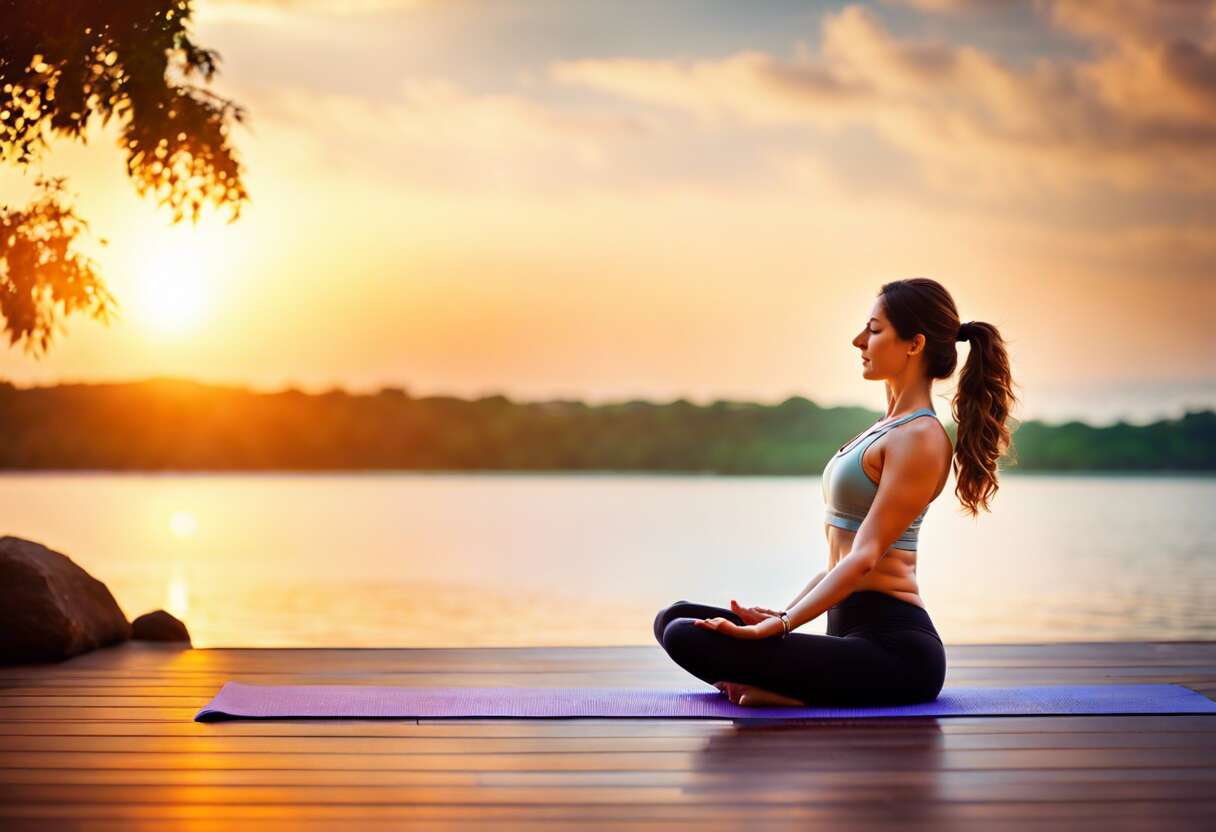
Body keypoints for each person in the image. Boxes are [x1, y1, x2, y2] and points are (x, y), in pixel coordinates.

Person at [654, 277, 1018, 707]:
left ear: (914, 344)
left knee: (685, 637)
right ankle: (782, 689)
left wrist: (783, 625)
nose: (858, 340)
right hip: (847, 634)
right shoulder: (886, 429)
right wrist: (781, 613)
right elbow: (840, 560)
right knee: (675, 618)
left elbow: (864, 558)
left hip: (896, 652)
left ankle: (789, 694)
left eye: (875, 330)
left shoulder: (920, 437)